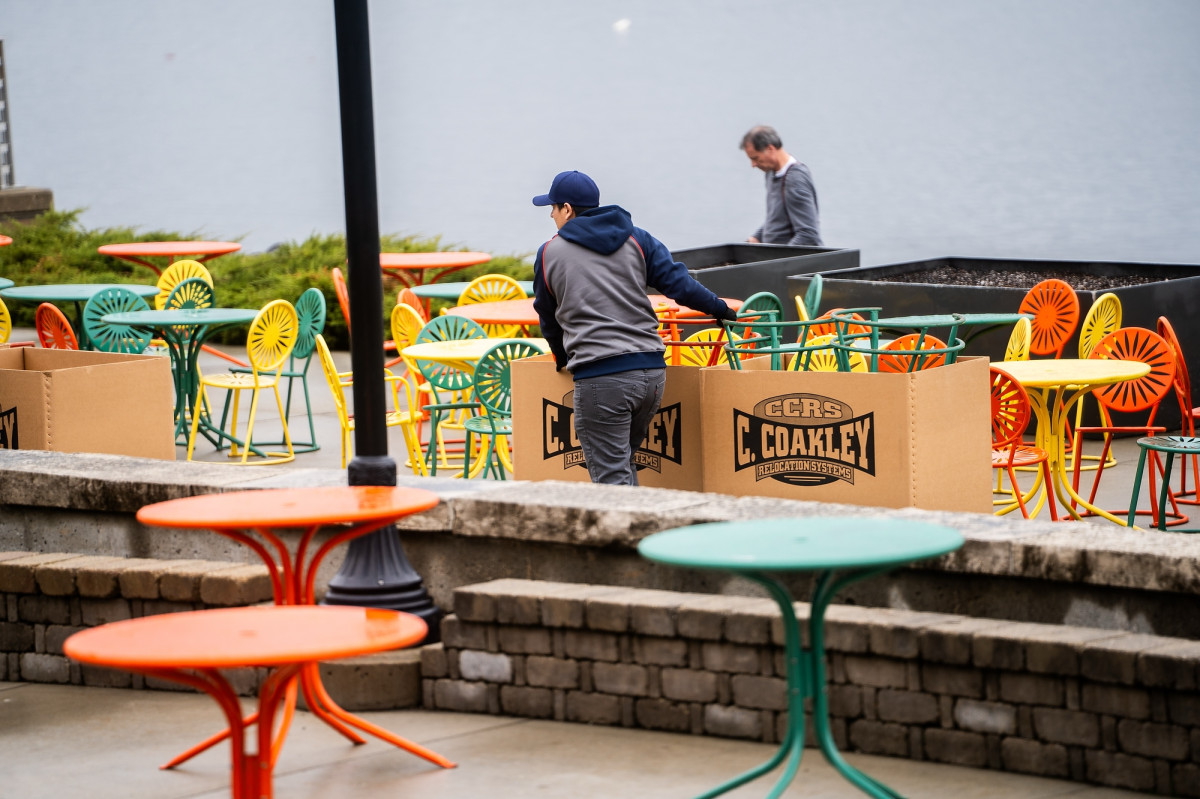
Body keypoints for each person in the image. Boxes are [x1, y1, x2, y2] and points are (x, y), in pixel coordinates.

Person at [531, 170, 737, 486]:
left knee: (611, 482)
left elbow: (548, 317)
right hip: (652, 374)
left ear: (568, 210)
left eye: (554, 207)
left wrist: (561, 359)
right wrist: (719, 309)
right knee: (623, 467)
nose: (551, 213)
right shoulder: (636, 238)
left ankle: (627, 536)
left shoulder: (549, 253)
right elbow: (680, 284)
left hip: (602, 378)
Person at [741, 125, 823, 246]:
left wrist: (781, 261)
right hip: (776, 257)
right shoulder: (770, 173)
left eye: (755, 158)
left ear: (770, 149)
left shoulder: (795, 180)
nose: (753, 164)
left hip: (796, 262)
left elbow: (808, 234)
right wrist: (756, 238)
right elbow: (778, 219)